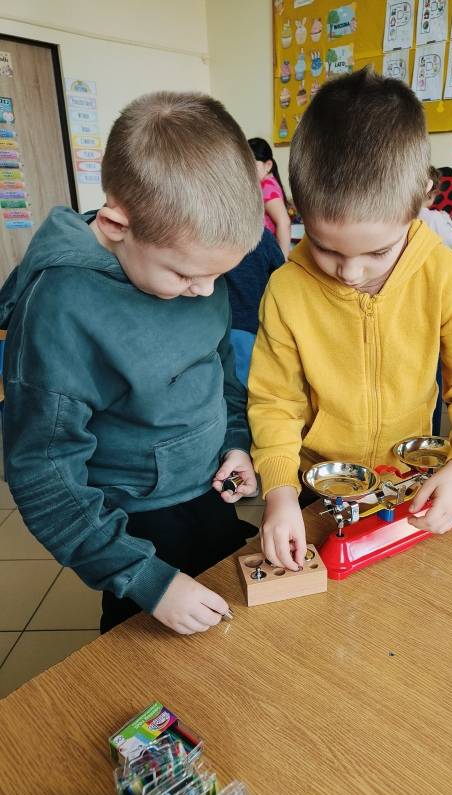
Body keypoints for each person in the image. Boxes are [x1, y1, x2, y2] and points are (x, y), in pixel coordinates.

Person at [0, 92, 264, 634]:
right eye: (185, 275)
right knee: (143, 648)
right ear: (117, 225)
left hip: (209, 489)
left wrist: (236, 441)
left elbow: (220, 372)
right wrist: (145, 579)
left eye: (218, 275)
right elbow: (43, 472)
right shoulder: (60, 309)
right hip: (133, 521)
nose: (205, 291)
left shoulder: (195, 265)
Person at [248, 68, 452, 571]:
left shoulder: (440, 272)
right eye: (324, 247)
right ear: (300, 209)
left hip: (411, 481)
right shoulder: (286, 289)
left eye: (377, 251)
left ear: (421, 201)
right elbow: (274, 401)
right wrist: (278, 491)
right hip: (317, 488)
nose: (350, 272)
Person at [225, 229, 285, 386]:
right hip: (252, 324)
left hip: (220, 322)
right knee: (248, 383)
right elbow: (280, 274)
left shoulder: (210, 232)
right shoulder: (262, 236)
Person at [248, 137, 292, 255]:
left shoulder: (267, 187)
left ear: (268, 165)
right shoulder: (266, 184)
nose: (247, 171)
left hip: (267, 253)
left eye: (252, 165)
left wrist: (282, 258)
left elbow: (284, 222)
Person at [419, 166, 452, 249]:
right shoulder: (435, 217)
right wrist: (447, 219)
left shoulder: (401, 214)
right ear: (433, 192)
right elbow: (451, 243)